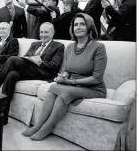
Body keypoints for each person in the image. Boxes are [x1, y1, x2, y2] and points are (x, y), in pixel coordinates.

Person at [22, 13, 107, 141]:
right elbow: (67, 70)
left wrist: (71, 82)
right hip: (73, 84)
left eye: (82, 24)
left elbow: (97, 78)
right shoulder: (70, 46)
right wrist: (62, 77)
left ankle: (48, 127)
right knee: (54, 87)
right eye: (76, 25)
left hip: (94, 87)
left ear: (89, 27)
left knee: (64, 91)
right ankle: (38, 125)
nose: (78, 27)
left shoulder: (99, 47)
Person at [0, 22, 65, 133]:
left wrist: (40, 62)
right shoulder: (35, 44)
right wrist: (31, 60)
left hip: (44, 72)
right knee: (11, 75)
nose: (43, 35)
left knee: (13, 59)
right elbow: (25, 58)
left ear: (52, 33)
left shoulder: (58, 46)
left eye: (46, 32)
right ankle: (3, 117)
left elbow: (54, 65)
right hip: (29, 70)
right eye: (41, 32)